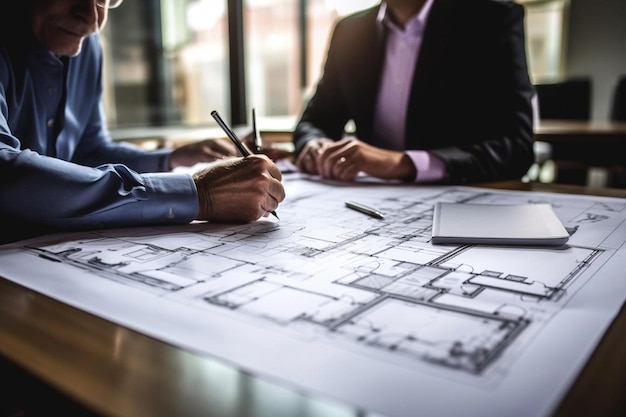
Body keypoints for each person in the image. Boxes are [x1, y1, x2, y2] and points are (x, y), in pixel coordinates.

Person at [0, 0, 285, 245]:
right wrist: (200, 194)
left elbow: (88, 151)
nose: (92, 18)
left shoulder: (87, 46)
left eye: (105, 0)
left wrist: (170, 159)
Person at [293, 0, 535, 184]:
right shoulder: (349, 31)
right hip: (368, 201)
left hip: (464, 200)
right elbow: (314, 121)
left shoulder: (491, 19)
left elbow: (516, 148)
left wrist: (403, 164)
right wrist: (317, 144)